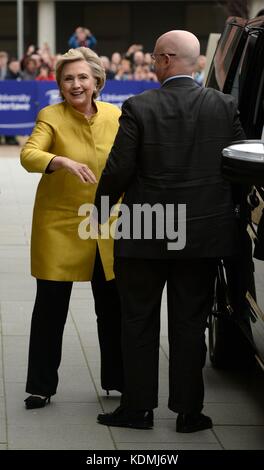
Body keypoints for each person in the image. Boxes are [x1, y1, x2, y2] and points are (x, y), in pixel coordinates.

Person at [94, 30, 246, 432]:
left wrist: (98, 216)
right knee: (190, 324)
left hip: (145, 234)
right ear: (195, 62)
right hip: (201, 238)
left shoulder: (139, 107)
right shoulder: (224, 105)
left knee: (138, 322)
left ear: (163, 59)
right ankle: (189, 413)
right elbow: (238, 166)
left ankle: (138, 409)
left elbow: (118, 172)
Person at [20, 47, 123, 409]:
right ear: (60, 85)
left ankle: (118, 379)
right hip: (59, 223)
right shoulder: (50, 115)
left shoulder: (117, 115)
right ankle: (40, 385)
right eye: (68, 78)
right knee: (50, 308)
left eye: (82, 77)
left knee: (112, 305)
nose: (76, 84)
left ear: (97, 80)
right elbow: (28, 154)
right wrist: (58, 160)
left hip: (107, 223)